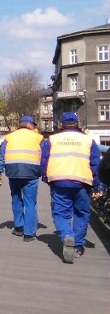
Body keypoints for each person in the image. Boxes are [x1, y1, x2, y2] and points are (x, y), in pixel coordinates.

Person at [40, 112, 103, 263]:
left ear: (62, 124)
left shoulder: (52, 140)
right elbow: (96, 164)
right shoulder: (88, 141)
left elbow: (44, 161)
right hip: (82, 181)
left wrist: (46, 177)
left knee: (61, 214)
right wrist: (98, 185)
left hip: (59, 180)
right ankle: (78, 246)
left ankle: (67, 235)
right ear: (78, 123)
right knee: (81, 213)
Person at [0, 115, 43, 242]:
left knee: (16, 198)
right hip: (31, 173)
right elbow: (44, 156)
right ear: (30, 125)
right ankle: (29, 233)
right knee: (30, 202)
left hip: (13, 171)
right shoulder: (38, 138)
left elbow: (2, 155)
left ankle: (19, 227)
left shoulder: (9, 137)